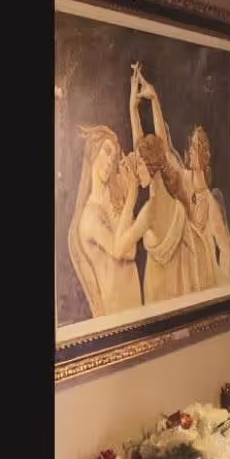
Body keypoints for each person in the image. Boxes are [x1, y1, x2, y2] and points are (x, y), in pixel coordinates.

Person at [118, 68, 202, 304]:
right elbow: (155, 147)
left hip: (157, 296)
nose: (135, 167)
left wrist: (132, 194)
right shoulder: (172, 194)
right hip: (178, 294)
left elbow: (119, 248)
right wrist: (143, 103)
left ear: (150, 166)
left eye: (139, 165)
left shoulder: (150, 211)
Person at [67, 125, 143, 318]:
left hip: (135, 302)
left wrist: (134, 109)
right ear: (93, 153)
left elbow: (138, 157)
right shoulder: (90, 217)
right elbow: (125, 250)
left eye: (114, 156)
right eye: (106, 152)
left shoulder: (115, 194)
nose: (111, 161)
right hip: (115, 310)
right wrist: (132, 196)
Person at [185, 125, 230, 285]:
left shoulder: (210, 203)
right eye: (191, 147)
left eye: (194, 147)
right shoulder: (186, 187)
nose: (190, 151)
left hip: (206, 278)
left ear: (202, 155)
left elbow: (225, 247)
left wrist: (225, 282)